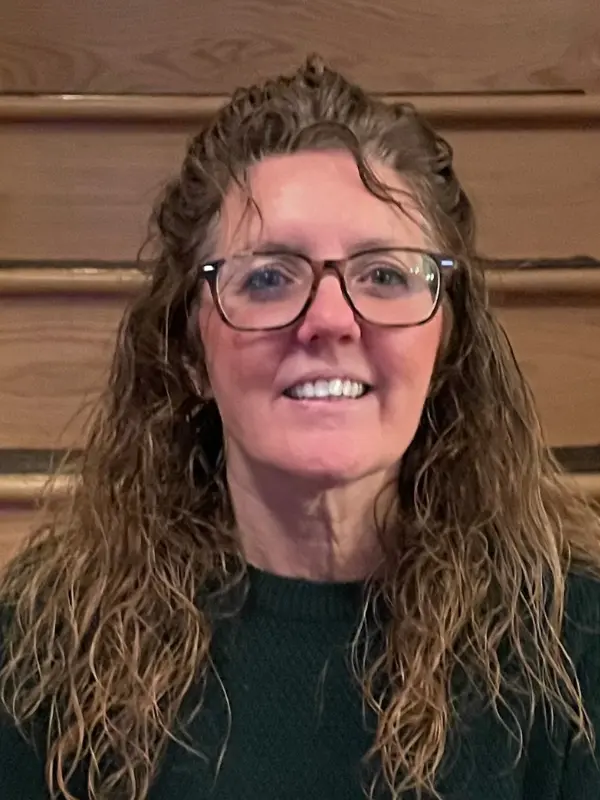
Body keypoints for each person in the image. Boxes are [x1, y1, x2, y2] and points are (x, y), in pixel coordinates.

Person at [0, 55, 599, 800]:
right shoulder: (44, 651)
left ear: (447, 341)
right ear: (188, 352)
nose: (330, 320)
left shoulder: (574, 647)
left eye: (384, 274)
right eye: (267, 277)